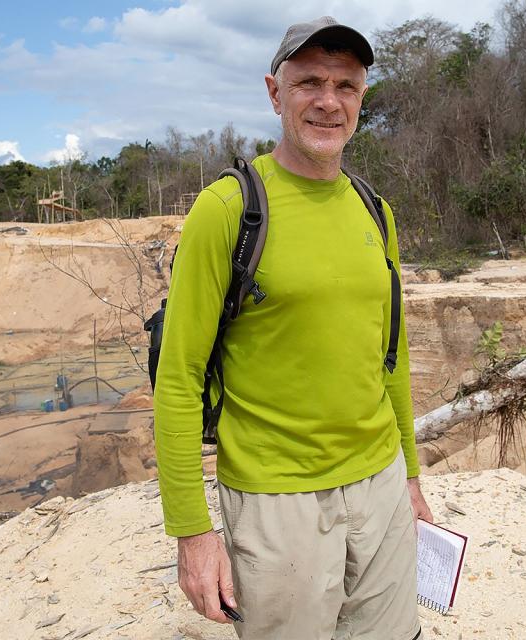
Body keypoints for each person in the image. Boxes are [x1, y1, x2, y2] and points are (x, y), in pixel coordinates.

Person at [153, 16, 432, 640]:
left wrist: (410, 478)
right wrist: (194, 535)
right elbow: (178, 378)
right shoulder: (228, 210)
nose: (329, 101)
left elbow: (392, 359)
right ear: (275, 93)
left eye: (347, 86)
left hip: (381, 484)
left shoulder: (375, 211)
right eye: (309, 82)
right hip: (276, 502)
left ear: (362, 99)